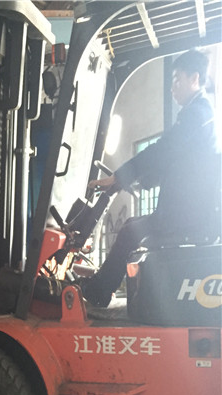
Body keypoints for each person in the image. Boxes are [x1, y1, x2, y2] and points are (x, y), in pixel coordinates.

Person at [80, 49, 221, 308]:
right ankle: (100, 287)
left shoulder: (198, 115)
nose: (173, 87)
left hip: (187, 217)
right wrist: (141, 181)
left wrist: (121, 175)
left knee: (129, 231)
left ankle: (98, 292)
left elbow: (162, 150)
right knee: (131, 226)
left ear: (195, 78)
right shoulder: (199, 114)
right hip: (187, 212)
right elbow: (176, 162)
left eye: (177, 79)